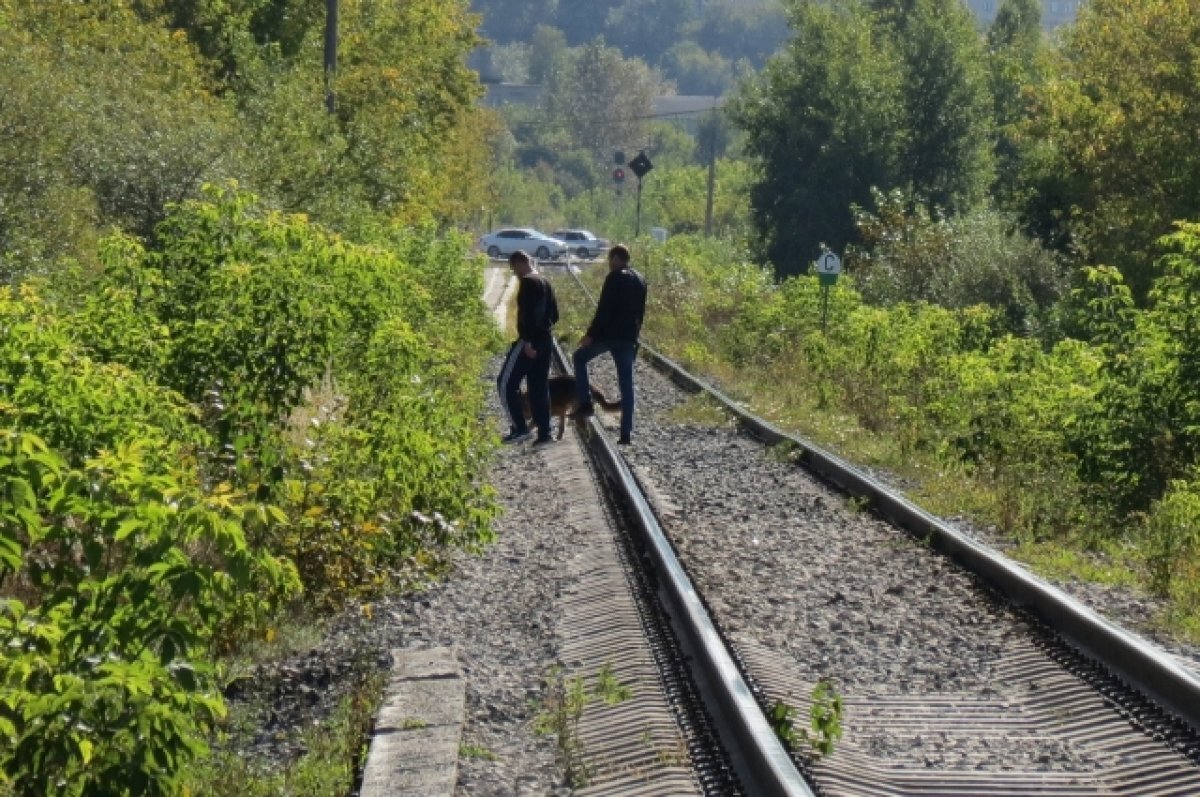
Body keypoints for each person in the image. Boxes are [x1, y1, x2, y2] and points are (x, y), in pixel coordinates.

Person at [571, 244, 647, 445]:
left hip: (608, 336)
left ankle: (586, 403)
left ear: (615, 258)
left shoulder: (614, 277)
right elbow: (641, 314)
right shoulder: (640, 279)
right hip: (628, 338)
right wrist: (634, 337)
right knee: (626, 384)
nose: (609, 264)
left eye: (610, 260)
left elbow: (603, 310)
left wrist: (590, 335)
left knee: (579, 358)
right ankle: (626, 434)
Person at [497, 250, 559, 445]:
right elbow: (555, 315)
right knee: (538, 386)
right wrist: (541, 336)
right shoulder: (545, 281)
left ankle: (520, 428)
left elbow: (528, 315)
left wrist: (529, 340)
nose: (515, 273)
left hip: (529, 342)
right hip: (546, 340)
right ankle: (545, 434)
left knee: (505, 383)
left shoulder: (528, 282)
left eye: (514, 269)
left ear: (520, 264)